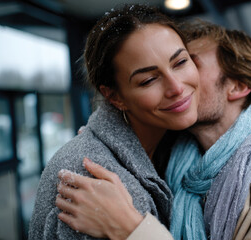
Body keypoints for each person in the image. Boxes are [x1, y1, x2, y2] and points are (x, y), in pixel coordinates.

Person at [56, 20, 251, 240]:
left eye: (186, 63)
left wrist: (130, 229)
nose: (176, 85)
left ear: (237, 86)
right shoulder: (166, 157)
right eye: (152, 77)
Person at [28, 4, 200, 239]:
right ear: (115, 97)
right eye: (149, 80)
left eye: (180, 63)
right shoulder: (94, 179)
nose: (177, 87)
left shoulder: (171, 148)